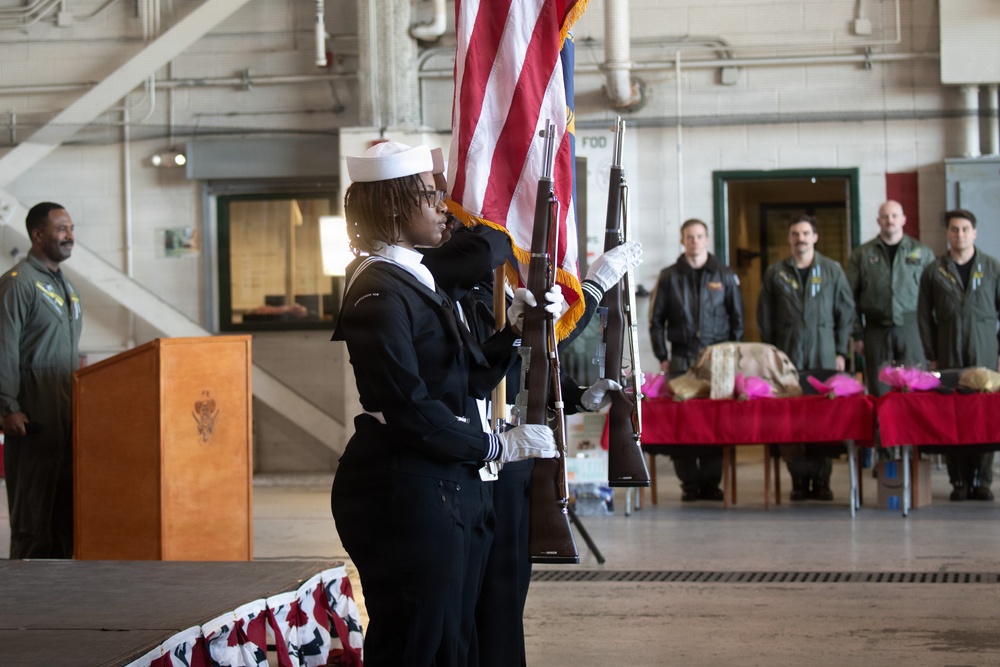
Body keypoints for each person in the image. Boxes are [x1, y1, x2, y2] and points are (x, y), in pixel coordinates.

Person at [329, 140, 561, 667]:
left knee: (456, 641)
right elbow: (410, 408)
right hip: (406, 488)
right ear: (393, 207)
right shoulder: (377, 292)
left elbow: (465, 381)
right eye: (429, 196)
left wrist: (517, 332)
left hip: (446, 482)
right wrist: (494, 446)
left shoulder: (415, 279)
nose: (443, 207)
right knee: (419, 641)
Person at [0, 202, 83, 559]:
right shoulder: (18, 284)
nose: (70, 235)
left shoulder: (68, 288)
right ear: (37, 235)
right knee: (33, 524)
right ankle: (23, 593)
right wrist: (7, 407)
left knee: (65, 522)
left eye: (71, 228)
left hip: (66, 422)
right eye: (61, 229)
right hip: (33, 419)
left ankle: (64, 593)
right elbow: (3, 347)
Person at [757, 214, 854, 501]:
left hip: (824, 354)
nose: (800, 239)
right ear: (789, 238)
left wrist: (840, 351)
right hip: (788, 356)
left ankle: (822, 480)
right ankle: (798, 479)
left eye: (805, 233)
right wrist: (771, 356)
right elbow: (765, 317)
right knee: (791, 420)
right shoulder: (776, 273)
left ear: (815, 237)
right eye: (795, 234)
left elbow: (845, 314)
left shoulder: (832, 271)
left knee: (822, 419)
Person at [648, 218, 744, 501]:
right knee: (683, 421)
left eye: (699, 236)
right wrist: (662, 356)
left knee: (715, 421)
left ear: (707, 240)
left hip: (716, 359)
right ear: (682, 241)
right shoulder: (669, 276)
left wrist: (731, 355)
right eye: (689, 237)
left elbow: (737, 319)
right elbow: (655, 321)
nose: (694, 241)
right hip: (681, 358)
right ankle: (689, 484)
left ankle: (712, 483)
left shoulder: (724, 275)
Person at [917, 209, 1000, 501]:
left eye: (965, 229)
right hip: (948, 349)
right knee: (952, 414)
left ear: (974, 233)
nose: (960, 234)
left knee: (984, 414)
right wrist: (932, 355)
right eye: (954, 229)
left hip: (984, 348)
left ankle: (983, 481)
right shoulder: (934, 271)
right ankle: (959, 481)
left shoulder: (992, 268)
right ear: (947, 234)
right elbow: (924, 316)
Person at [846, 200, 934, 395]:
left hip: (912, 329)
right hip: (876, 330)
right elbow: (849, 297)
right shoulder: (862, 254)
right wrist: (857, 334)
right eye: (885, 216)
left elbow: (933, 297)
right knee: (880, 390)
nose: (890, 220)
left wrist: (931, 335)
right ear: (878, 221)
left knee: (915, 387)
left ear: (903, 219)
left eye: (894, 216)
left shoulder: (922, 253)